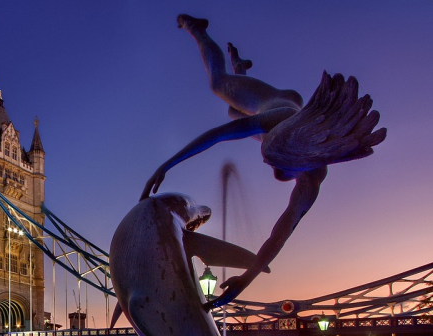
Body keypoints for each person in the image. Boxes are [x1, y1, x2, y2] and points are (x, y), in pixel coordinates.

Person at [142, 14, 386, 308]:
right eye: (272, 164)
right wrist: (166, 165)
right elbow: (217, 136)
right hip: (273, 102)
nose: (274, 174)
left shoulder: (312, 178)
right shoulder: (275, 121)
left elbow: (280, 233)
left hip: (283, 116)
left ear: (303, 165)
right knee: (219, 85)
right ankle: (198, 28)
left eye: (279, 168)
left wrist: (248, 277)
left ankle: (240, 68)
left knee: (234, 113)